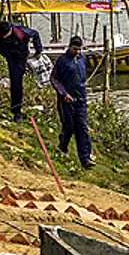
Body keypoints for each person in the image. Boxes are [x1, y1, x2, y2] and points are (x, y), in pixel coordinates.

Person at [51, 35, 94, 167]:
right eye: (75, 49)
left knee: (82, 127)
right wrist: (63, 94)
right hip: (66, 100)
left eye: (80, 49)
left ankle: (85, 158)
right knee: (69, 126)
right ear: (69, 47)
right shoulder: (62, 61)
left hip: (81, 99)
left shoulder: (83, 59)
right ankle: (63, 146)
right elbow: (54, 79)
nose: (77, 52)